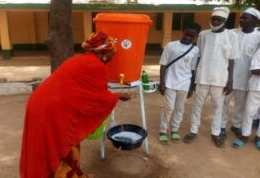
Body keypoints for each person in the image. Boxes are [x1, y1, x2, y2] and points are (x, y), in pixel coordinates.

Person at [19, 32, 133, 178]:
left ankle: (75, 174)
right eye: (112, 54)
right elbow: (100, 99)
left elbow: (86, 92)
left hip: (41, 104)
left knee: (65, 143)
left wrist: (114, 96)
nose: (112, 57)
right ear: (105, 54)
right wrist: (118, 96)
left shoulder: (80, 59)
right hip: (50, 111)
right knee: (57, 146)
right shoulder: (97, 66)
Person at [183, 7, 240, 148]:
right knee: (197, 106)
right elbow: (198, 55)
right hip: (202, 76)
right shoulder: (203, 35)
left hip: (220, 79)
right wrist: (193, 78)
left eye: (218, 20)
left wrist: (230, 80)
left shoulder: (232, 36)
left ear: (225, 21)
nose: (215, 21)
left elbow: (232, 59)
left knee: (218, 108)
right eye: (213, 18)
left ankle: (215, 133)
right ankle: (193, 131)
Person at [220, 7, 260, 140]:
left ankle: (236, 125)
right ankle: (221, 126)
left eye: (245, 17)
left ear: (254, 21)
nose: (241, 19)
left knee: (241, 104)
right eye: (241, 17)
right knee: (224, 102)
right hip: (227, 75)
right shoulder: (231, 33)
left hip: (247, 77)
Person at [158, 23, 201, 144]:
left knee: (179, 108)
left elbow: (193, 69)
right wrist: (162, 83)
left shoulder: (195, 50)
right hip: (170, 82)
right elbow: (163, 64)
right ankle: (163, 130)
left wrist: (191, 87)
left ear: (196, 37)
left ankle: (175, 130)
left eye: (192, 36)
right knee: (169, 107)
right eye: (186, 34)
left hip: (185, 83)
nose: (188, 38)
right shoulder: (171, 46)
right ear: (183, 31)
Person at [232, 47, 260, 151]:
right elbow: (255, 70)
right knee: (249, 112)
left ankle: (259, 138)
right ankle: (244, 136)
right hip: (257, 86)